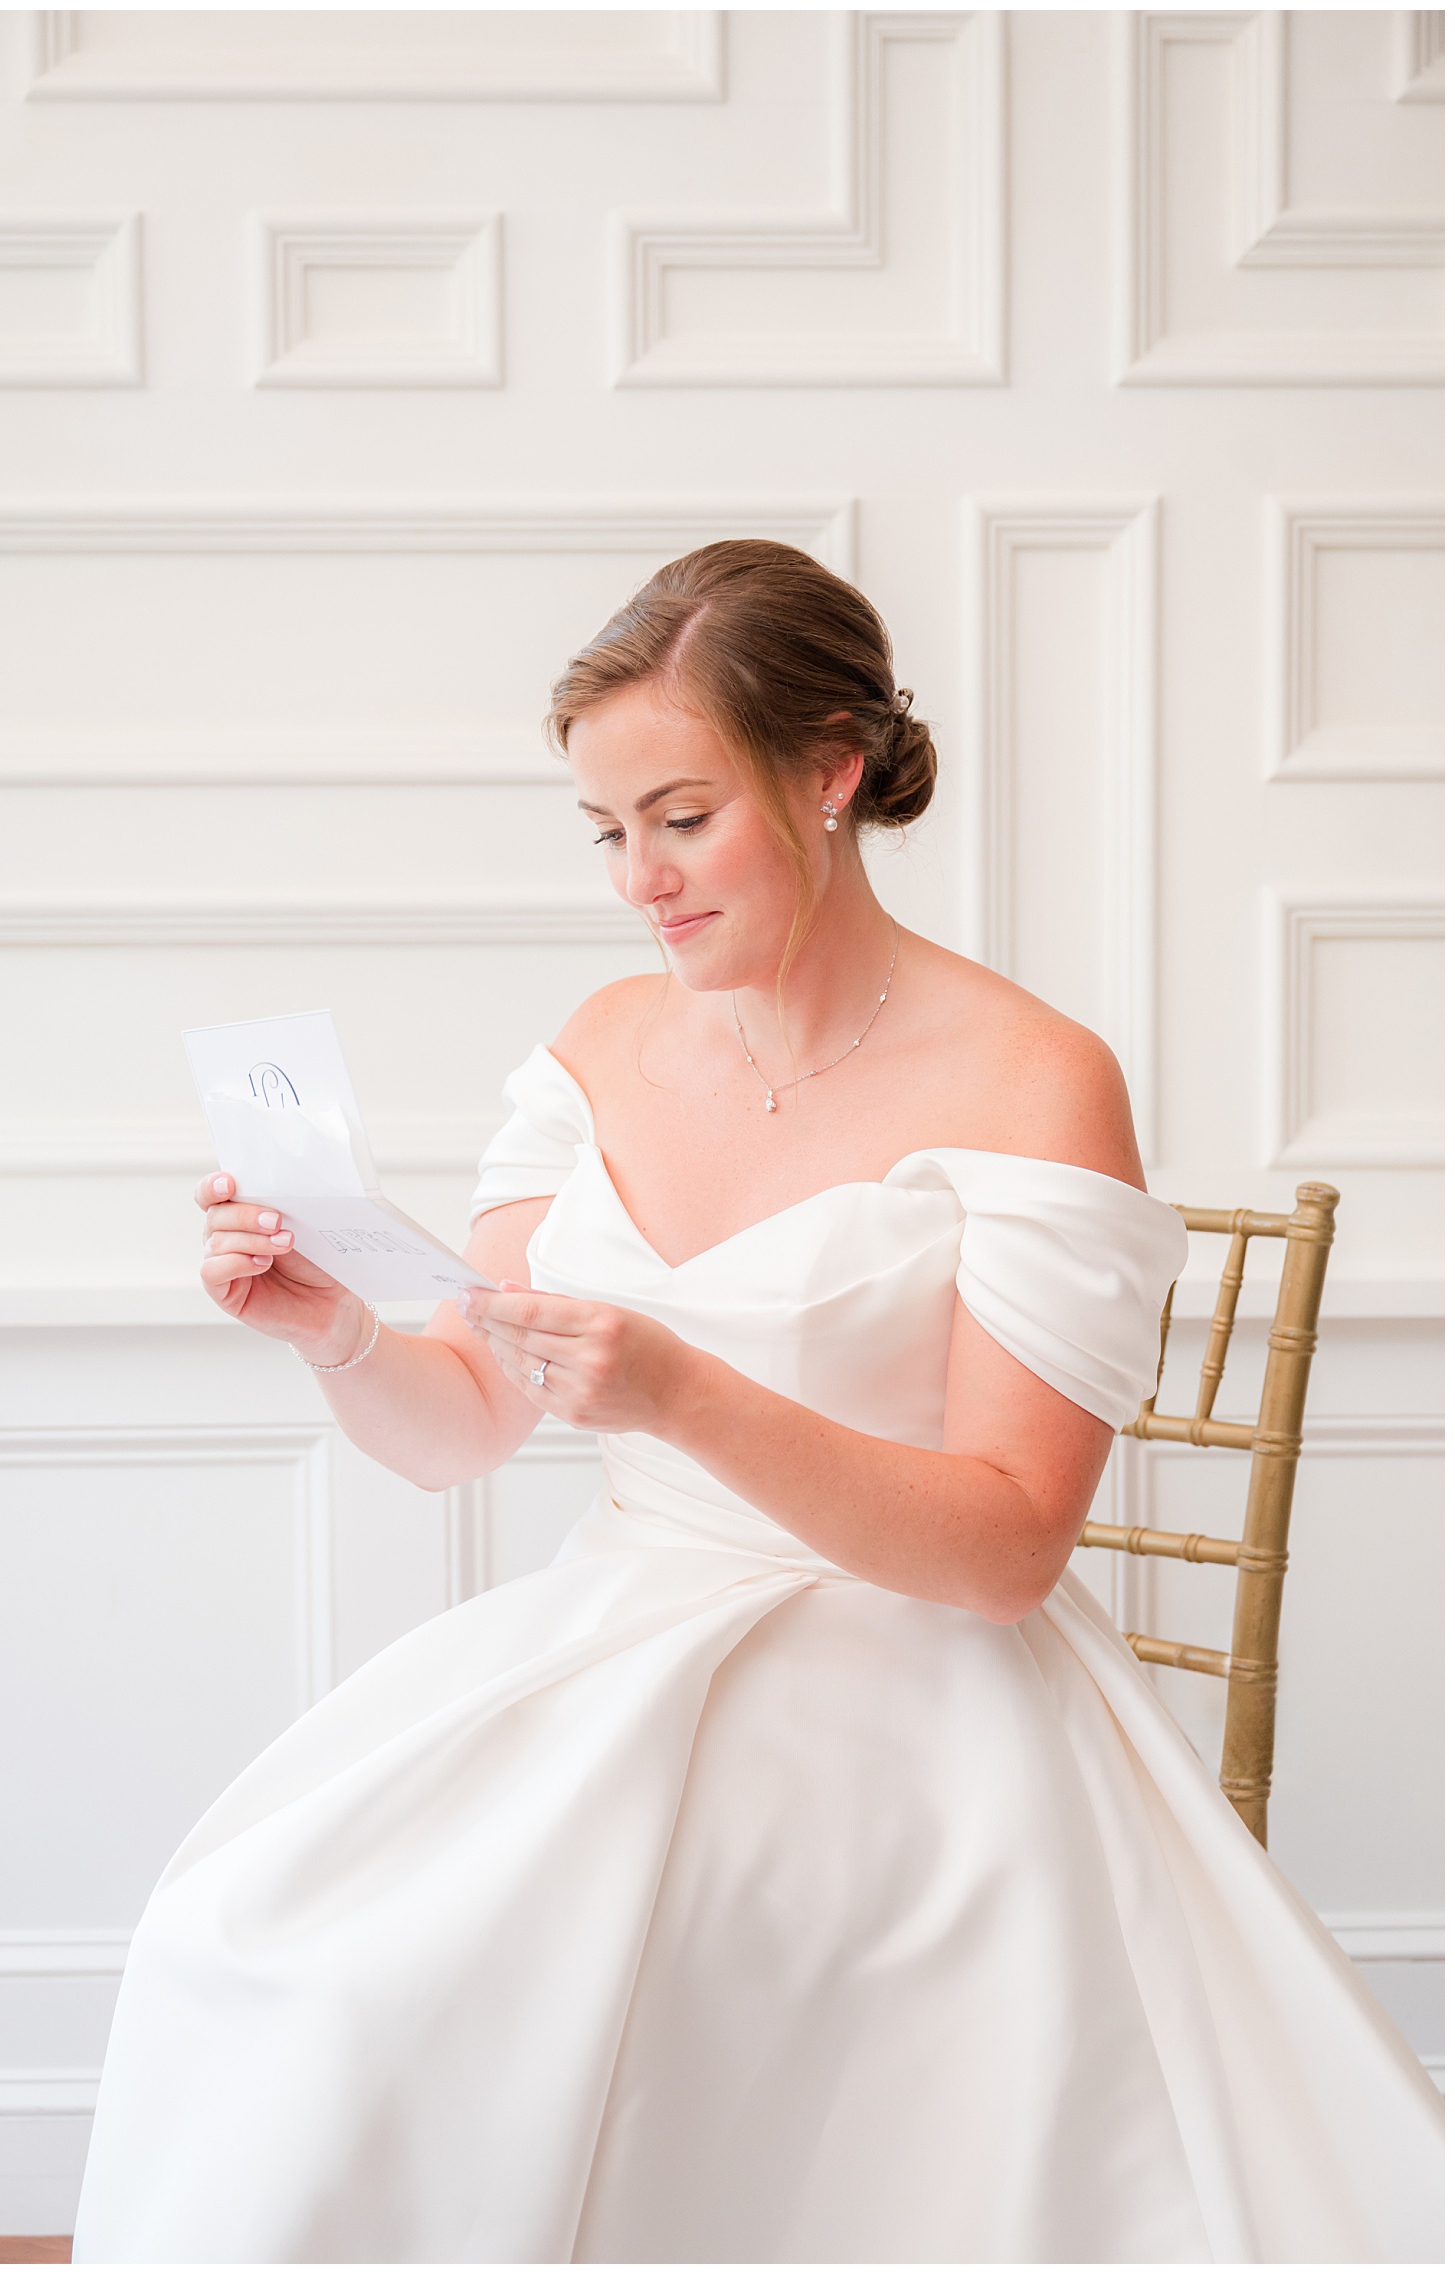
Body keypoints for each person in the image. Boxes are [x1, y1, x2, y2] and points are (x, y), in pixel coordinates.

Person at [73, 542, 1440, 2265]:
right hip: (618, 1641)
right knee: (269, 1944)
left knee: (585, 1991)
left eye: (681, 816)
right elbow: (469, 1424)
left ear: (828, 773)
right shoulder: (603, 1041)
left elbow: (1009, 1545)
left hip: (908, 1690)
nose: (639, 878)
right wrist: (332, 1330)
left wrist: (684, 1392)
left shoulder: (1032, 1074)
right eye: (606, 830)